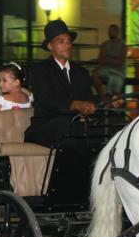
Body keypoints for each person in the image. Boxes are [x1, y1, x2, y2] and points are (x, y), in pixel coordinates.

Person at [24, 19, 96, 147]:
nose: (67, 45)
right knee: (68, 128)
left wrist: (106, 101)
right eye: (61, 41)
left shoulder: (81, 72)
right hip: (47, 125)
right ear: (50, 46)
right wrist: (74, 104)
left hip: (76, 124)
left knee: (110, 124)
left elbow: (88, 98)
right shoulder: (40, 70)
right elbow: (46, 100)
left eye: (68, 41)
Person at [91, 23, 126, 97]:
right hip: (105, 69)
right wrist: (113, 59)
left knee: (114, 92)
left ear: (117, 32)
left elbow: (120, 61)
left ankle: (112, 99)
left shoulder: (122, 45)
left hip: (118, 71)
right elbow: (101, 60)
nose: (110, 32)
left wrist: (107, 58)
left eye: (112, 30)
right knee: (94, 74)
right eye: (109, 31)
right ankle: (102, 97)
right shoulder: (105, 44)